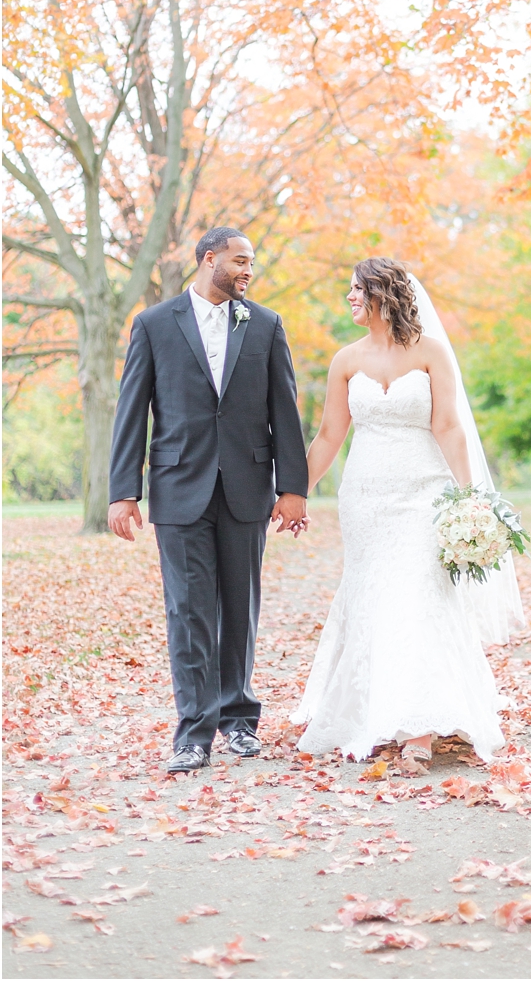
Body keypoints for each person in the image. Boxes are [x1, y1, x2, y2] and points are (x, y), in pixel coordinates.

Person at [289, 258, 513, 765]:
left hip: (424, 496)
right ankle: (378, 714)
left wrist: (471, 495)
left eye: (355, 290)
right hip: (366, 499)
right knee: (373, 600)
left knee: (418, 597)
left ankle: (417, 730)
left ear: (383, 294)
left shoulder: (431, 353)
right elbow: (328, 436)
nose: (348, 299)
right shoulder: (345, 360)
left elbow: (449, 427)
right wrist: (294, 492)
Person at [109, 226, 310, 774]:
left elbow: (284, 411)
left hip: (247, 487)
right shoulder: (153, 324)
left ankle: (239, 721)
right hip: (178, 488)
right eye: (240, 260)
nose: (248, 270)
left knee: (240, 609)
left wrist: (293, 489)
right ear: (207, 259)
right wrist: (123, 491)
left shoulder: (266, 325)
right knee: (188, 611)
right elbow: (133, 410)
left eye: (252, 263)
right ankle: (193, 733)